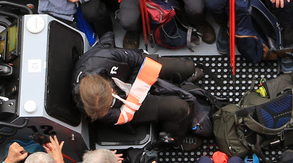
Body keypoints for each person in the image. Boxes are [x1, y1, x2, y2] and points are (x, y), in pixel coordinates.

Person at [73, 42, 201, 140]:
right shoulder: (91, 106)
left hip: (136, 74)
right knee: (180, 108)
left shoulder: (105, 57)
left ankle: (184, 77)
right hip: (127, 106)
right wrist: (134, 96)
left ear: (109, 87)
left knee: (188, 67)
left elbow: (137, 60)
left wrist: (136, 86)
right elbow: (117, 116)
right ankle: (174, 139)